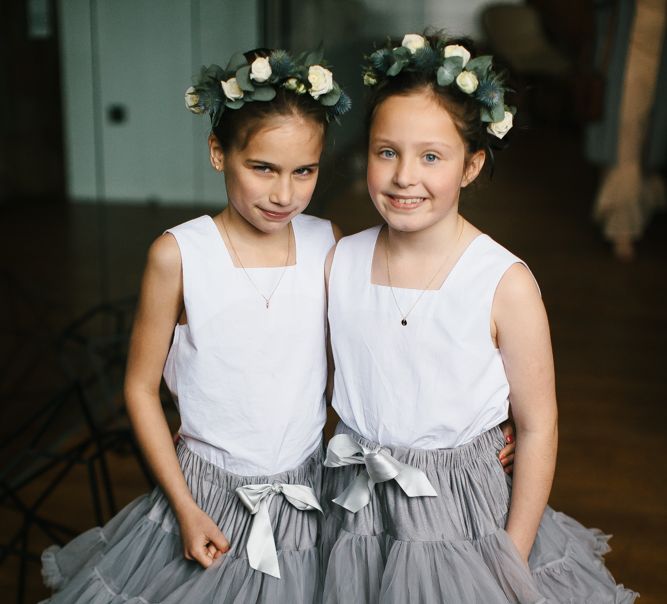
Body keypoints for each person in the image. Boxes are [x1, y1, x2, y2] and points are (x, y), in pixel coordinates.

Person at [321, 32, 638, 603]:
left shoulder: (502, 283)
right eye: (385, 151)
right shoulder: (339, 260)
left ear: (471, 166)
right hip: (355, 510)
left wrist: (509, 558)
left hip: (463, 520)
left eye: (432, 157)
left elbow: (538, 426)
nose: (403, 177)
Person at [40, 46, 351, 603]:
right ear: (218, 152)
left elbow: (376, 351)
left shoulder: (326, 242)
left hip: (307, 490)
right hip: (204, 494)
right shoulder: (179, 254)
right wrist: (185, 508)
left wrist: (486, 421)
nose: (285, 194)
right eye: (263, 168)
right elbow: (138, 387)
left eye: (304, 171)